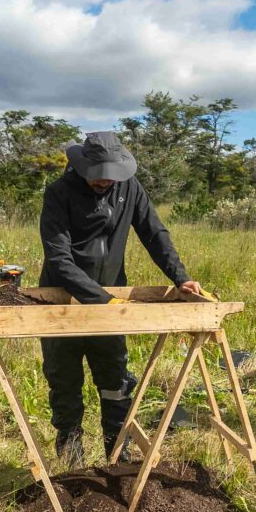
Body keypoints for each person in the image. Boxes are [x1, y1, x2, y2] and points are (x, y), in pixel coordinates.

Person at [39, 131, 203, 467]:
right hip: (63, 303)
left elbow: (154, 233)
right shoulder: (58, 193)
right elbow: (59, 259)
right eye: (99, 177)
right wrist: (100, 299)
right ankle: (72, 466)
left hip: (111, 301)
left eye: (112, 177)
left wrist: (180, 276)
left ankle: (119, 457)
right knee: (65, 383)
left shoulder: (129, 188)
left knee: (115, 382)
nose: (105, 183)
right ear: (84, 168)